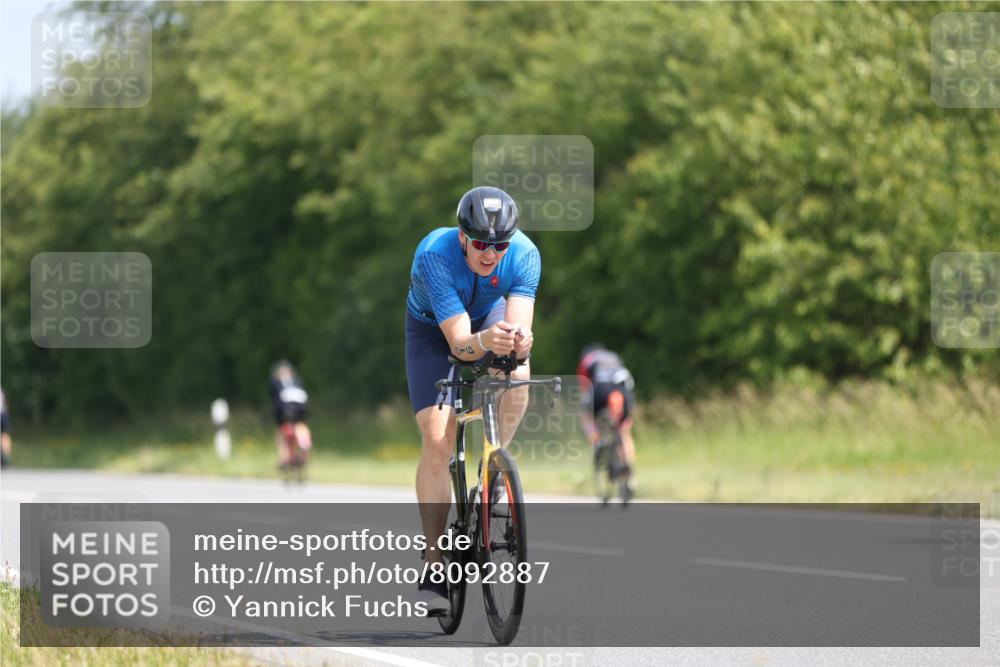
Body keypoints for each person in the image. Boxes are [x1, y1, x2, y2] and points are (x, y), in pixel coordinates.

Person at [406, 186, 540, 610]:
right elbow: (461, 344)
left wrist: (518, 344)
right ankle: (433, 558)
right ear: (463, 236)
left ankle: (493, 472)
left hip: (486, 315)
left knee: (518, 372)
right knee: (437, 438)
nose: (490, 252)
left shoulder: (524, 254)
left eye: (499, 245)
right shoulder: (435, 255)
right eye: (481, 243)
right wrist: (484, 341)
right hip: (434, 330)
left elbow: (518, 331)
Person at [578, 344, 636, 498]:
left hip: (600, 390)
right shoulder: (614, 356)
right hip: (621, 391)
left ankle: (596, 438)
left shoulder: (587, 360)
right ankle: (630, 477)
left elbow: (584, 386)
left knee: (585, 414)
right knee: (624, 431)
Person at [269, 360, 312, 469]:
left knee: (280, 433)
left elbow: (275, 400)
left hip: (285, 412)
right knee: (302, 426)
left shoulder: (276, 383)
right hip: (301, 412)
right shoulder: (298, 382)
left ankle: (283, 458)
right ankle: (304, 451)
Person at [0, 387, 10, 468]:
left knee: (4, 435)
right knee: (4, 435)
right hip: (3, 413)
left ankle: (4, 456)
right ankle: (5, 456)